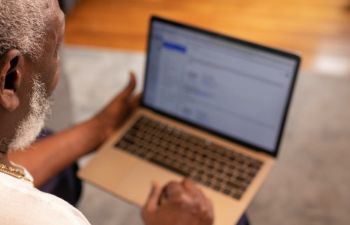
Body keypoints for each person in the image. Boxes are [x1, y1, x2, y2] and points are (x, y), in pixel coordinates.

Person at [0, 0, 215, 225]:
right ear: (12, 77)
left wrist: (100, 128)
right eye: (55, 50)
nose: (59, 65)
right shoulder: (52, 218)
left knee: (61, 165)